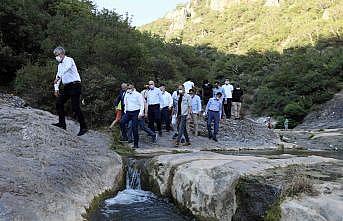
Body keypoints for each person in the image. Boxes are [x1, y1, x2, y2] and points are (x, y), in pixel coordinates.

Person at [52, 46, 87, 136]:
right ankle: (62, 124)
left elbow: (66, 69)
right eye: (55, 55)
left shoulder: (69, 60)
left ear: (62, 53)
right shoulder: (60, 65)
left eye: (57, 55)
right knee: (59, 103)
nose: (56, 57)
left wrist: (59, 77)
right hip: (67, 86)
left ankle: (83, 127)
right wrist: (56, 89)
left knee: (75, 107)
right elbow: (57, 77)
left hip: (75, 85)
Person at [120, 84, 144, 149]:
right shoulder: (126, 94)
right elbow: (125, 102)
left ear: (133, 88)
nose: (129, 89)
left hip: (136, 112)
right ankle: (125, 137)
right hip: (128, 112)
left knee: (134, 128)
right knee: (122, 122)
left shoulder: (138, 94)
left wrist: (140, 113)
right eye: (128, 88)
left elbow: (142, 104)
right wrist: (125, 111)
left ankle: (136, 144)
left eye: (130, 88)